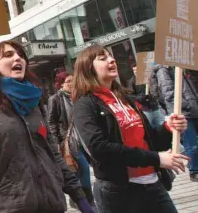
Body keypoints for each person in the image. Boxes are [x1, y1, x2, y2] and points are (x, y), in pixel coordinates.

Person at [0, 40, 94, 213]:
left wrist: (79, 197)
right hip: (8, 205)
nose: (17, 58)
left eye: (20, 55)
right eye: (8, 55)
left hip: (51, 203)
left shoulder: (34, 101)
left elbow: (52, 153)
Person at [71, 44, 189, 213]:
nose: (112, 60)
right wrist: (156, 159)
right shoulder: (85, 103)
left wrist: (168, 128)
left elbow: (150, 140)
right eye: (103, 58)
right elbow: (99, 148)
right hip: (119, 193)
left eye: (111, 57)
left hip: (153, 184)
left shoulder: (125, 98)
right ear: (88, 68)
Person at [48, 72, 95, 206]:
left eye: (73, 81)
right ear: (61, 84)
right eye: (68, 81)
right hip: (68, 140)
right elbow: (52, 122)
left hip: (84, 137)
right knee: (83, 168)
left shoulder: (79, 96)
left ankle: (76, 198)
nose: (72, 84)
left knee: (77, 169)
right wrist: (57, 142)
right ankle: (88, 199)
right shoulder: (55, 99)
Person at [149, 65, 198, 182]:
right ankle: (194, 171)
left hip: (192, 109)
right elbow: (168, 93)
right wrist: (186, 105)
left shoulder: (179, 66)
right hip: (184, 112)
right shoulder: (163, 70)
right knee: (191, 143)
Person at [125, 65, 165, 129]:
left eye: (137, 70)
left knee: (161, 126)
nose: (136, 72)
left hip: (155, 106)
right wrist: (141, 98)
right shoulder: (131, 81)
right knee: (150, 127)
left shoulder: (147, 79)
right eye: (134, 70)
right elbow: (130, 95)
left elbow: (155, 90)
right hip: (144, 109)